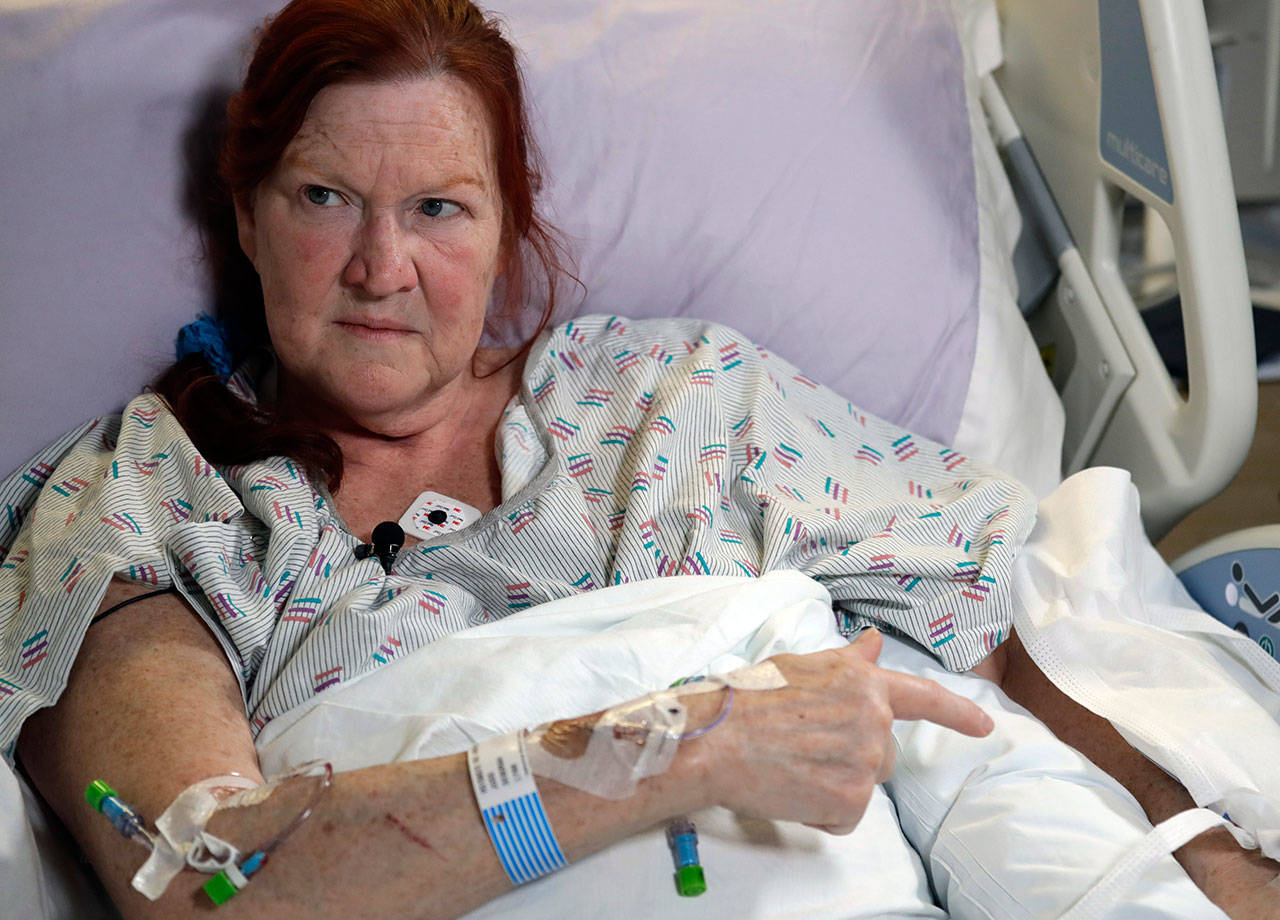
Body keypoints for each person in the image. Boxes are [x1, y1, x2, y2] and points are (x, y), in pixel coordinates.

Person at [1, 1, 1274, 918]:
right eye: (324, 196)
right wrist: (678, 745)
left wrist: (1196, 849)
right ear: (246, 213)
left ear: (504, 232)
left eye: (438, 207)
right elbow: (211, 884)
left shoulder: (677, 400)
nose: (382, 268)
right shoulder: (152, 497)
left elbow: (1001, 626)